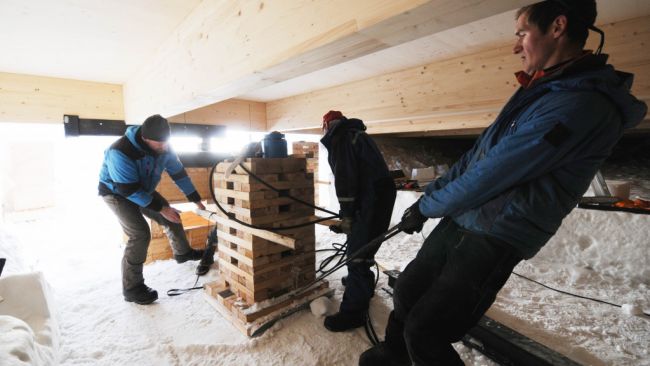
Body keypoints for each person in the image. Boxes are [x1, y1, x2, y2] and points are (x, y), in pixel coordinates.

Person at [359, 0, 648, 365]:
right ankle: (394, 355)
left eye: (522, 33)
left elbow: (494, 172)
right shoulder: (539, 91)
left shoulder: (582, 105)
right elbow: (479, 153)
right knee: (408, 292)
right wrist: (429, 197)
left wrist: (429, 206)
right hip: (465, 217)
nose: (515, 46)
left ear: (557, 27)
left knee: (428, 328)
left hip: (497, 233)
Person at [99, 114, 207, 305]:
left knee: (173, 216)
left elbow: (179, 174)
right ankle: (132, 288)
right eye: (159, 143)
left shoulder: (164, 147)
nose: (164, 147)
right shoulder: (120, 151)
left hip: (142, 188)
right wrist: (161, 208)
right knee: (140, 234)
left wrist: (195, 198)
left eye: (166, 142)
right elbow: (128, 190)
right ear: (145, 138)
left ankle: (183, 253)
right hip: (117, 192)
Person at [320, 110, 397, 332]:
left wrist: (347, 215)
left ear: (326, 126)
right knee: (363, 245)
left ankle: (353, 312)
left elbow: (346, 182)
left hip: (371, 200)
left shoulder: (341, 139)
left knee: (357, 256)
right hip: (378, 197)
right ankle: (360, 286)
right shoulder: (356, 134)